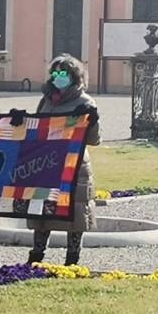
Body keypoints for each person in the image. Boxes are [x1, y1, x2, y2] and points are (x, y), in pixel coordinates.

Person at [26, 55, 101, 266]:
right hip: (47, 161)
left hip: (74, 163)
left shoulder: (85, 102)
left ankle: (72, 258)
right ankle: (37, 255)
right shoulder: (46, 100)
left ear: (74, 76)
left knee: (75, 211)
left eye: (63, 74)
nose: (58, 78)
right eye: (55, 73)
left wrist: (92, 122)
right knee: (43, 208)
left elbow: (94, 139)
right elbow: (37, 130)